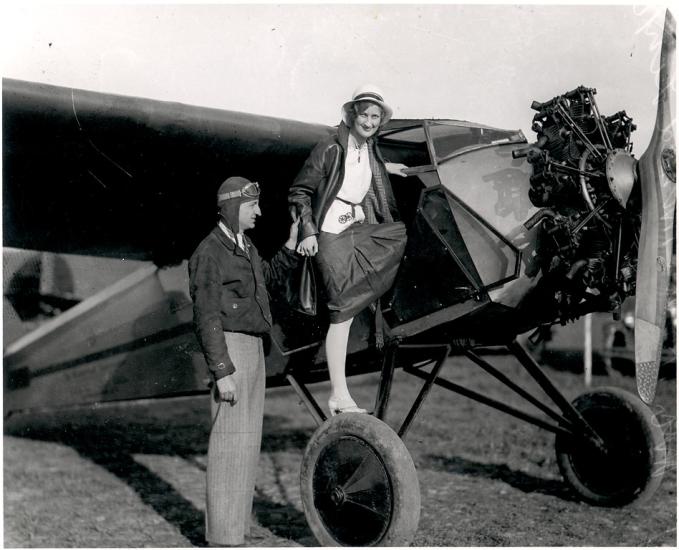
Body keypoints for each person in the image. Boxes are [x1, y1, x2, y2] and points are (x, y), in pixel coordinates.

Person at [188, 176, 299, 547]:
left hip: (253, 348)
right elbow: (206, 316)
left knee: (247, 443)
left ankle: (237, 530)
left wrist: (292, 246)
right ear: (234, 207)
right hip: (231, 351)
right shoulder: (209, 252)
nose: (259, 212)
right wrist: (222, 372)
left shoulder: (244, 245)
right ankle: (222, 538)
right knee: (228, 444)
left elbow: (263, 280)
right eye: (253, 207)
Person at [288, 84, 409, 416]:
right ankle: (338, 395)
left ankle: (343, 385)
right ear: (352, 114)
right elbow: (299, 191)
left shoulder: (368, 147)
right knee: (341, 315)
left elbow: (367, 174)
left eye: (375, 117)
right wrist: (308, 232)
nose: (369, 122)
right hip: (330, 233)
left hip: (356, 228)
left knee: (397, 236)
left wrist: (392, 170)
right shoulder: (330, 145)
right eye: (364, 115)